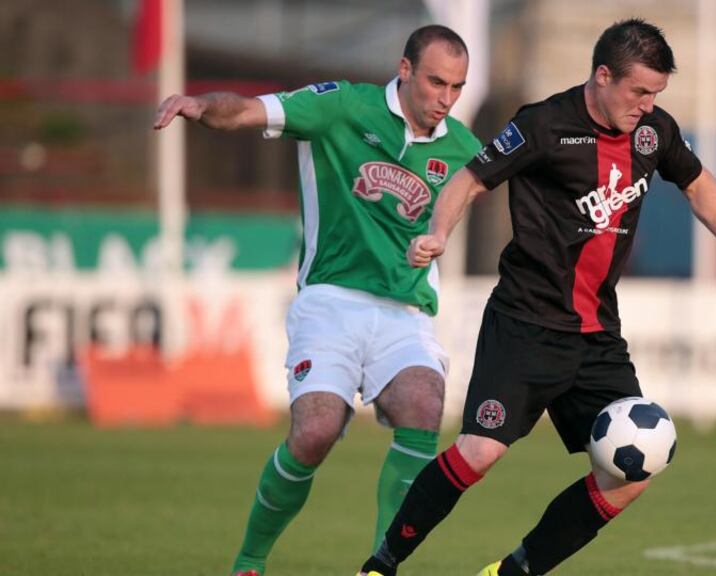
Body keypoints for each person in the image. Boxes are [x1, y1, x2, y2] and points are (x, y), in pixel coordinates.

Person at [357, 18, 716, 576]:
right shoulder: (543, 126)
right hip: (526, 323)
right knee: (480, 453)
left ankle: (515, 571)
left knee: (633, 473)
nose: (649, 105)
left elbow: (696, 182)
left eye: (657, 94)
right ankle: (381, 565)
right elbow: (469, 181)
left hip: (597, 333)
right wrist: (438, 233)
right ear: (603, 75)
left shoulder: (653, 134)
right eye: (640, 92)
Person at [152, 25, 482, 576]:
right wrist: (198, 104)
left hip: (405, 312)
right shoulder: (340, 107)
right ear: (404, 71)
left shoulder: (464, 148)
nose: (445, 99)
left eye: (458, 87)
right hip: (330, 302)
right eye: (436, 82)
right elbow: (246, 112)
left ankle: (382, 565)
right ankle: (250, 561)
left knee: (425, 405)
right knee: (314, 432)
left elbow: (525, 181)